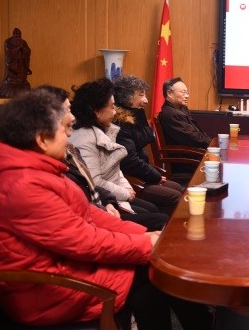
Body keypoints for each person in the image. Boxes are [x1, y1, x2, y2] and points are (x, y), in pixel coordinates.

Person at [0, 89, 172, 330]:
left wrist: (147, 236)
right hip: (46, 293)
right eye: (66, 128)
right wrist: (145, 245)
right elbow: (85, 241)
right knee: (151, 275)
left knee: (155, 255)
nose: (70, 136)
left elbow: (91, 217)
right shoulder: (22, 186)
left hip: (59, 271)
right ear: (41, 139)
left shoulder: (35, 169)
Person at [69, 78, 168, 230]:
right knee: (160, 218)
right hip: (102, 202)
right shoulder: (85, 139)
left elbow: (115, 166)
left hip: (114, 192)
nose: (115, 112)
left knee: (152, 209)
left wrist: (127, 189)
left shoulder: (104, 129)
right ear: (97, 112)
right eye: (112, 107)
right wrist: (125, 193)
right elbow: (94, 182)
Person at [113, 75, 183, 214]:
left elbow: (147, 137)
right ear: (127, 98)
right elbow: (130, 162)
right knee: (175, 195)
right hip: (130, 178)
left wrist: (139, 113)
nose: (146, 100)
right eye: (141, 95)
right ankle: (166, 225)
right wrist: (155, 176)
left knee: (177, 187)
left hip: (141, 173)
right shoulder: (120, 124)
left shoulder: (134, 116)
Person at [157, 77, 212, 149]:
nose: (187, 96)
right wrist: (212, 144)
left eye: (187, 92)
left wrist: (211, 142)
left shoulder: (181, 108)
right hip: (185, 154)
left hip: (194, 149)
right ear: (169, 93)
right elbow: (192, 138)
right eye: (183, 92)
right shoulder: (170, 114)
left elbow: (196, 132)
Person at [0, 28, 32, 98]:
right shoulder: (8, 42)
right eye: (16, 34)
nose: (18, 36)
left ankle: (21, 81)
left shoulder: (23, 42)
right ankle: (11, 82)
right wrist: (18, 48)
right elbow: (8, 53)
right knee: (10, 82)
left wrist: (23, 49)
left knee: (22, 79)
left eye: (19, 34)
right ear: (13, 34)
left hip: (21, 62)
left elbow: (28, 50)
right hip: (13, 64)